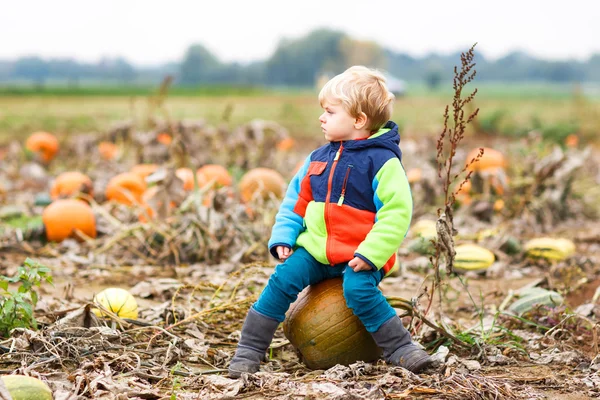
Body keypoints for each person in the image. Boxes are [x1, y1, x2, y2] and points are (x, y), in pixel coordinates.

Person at [228, 66, 434, 378]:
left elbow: (396, 212)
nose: (322, 118)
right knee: (282, 280)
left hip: (358, 256)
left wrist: (371, 255)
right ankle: (249, 351)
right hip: (316, 251)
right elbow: (295, 200)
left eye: (330, 112)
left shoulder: (382, 162)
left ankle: (401, 349)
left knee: (359, 292)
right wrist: (285, 236)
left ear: (358, 120)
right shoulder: (318, 159)